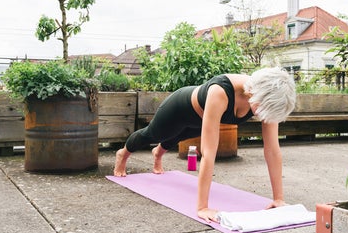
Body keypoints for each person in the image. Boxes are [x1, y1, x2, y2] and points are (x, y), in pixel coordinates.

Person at [114, 67, 296, 223]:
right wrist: (203, 207)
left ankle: (158, 154)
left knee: (175, 139)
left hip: (200, 120)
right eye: (263, 110)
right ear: (256, 94)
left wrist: (279, 199)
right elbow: (209, 152)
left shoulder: (267, 100)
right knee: (152, 134)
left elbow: (272, 150)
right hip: (179, 109)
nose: (264, 116)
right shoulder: (221, 91)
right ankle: (123, 154)